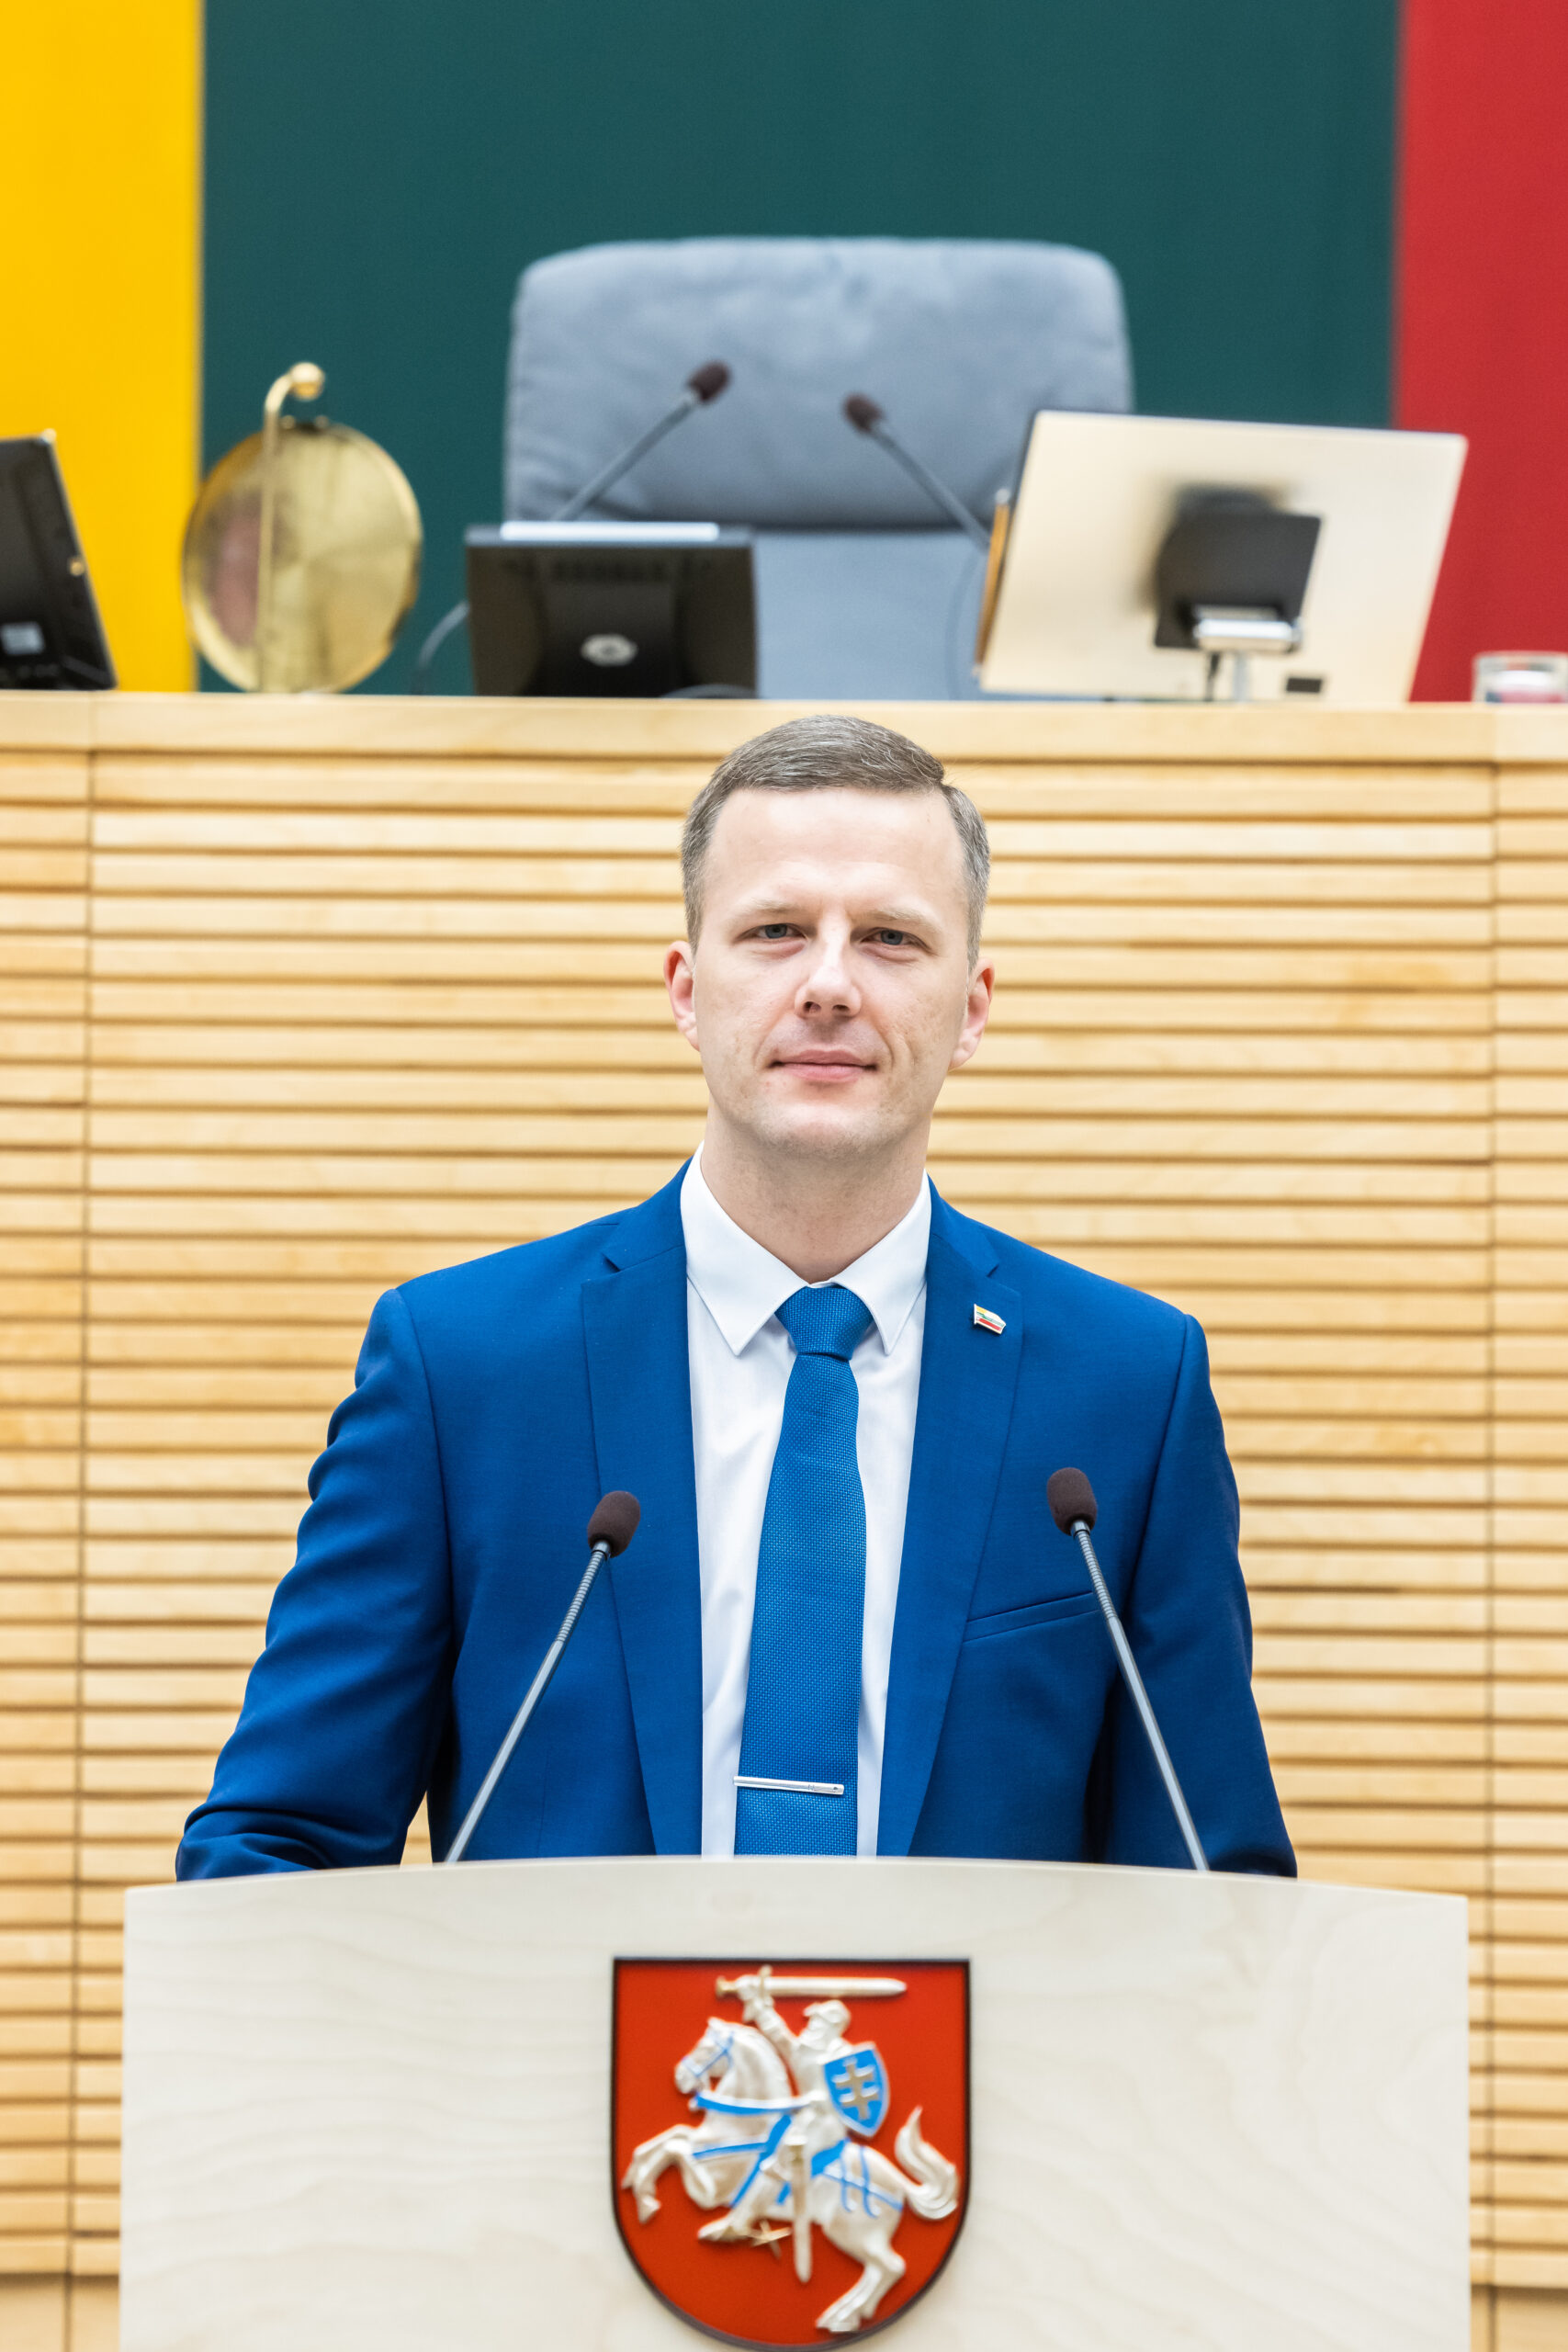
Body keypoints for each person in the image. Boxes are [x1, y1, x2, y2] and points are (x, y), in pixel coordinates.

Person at [176, 713, 1292, 1880]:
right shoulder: (463, 1372)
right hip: (559, 2012)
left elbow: (1213, 1889)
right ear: (686, 989)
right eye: (774, 931)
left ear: (972, 1007)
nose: (829, 985)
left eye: (891, 938)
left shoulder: (1127, 1389)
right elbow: (276, 1846)